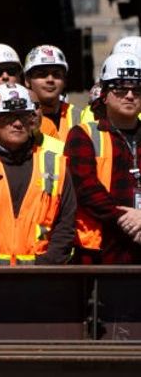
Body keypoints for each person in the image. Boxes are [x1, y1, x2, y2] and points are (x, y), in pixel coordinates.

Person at [0, 83, 75, 265]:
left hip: (42, 273)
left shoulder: (55, 165)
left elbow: (66, 224)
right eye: (9, 116)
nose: (17, 123)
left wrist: (47, 265)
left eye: (23, 116)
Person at [64, 53, 141, 264]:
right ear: (104, 95)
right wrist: (126, 219)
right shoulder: (83, 135)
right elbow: (86, 189)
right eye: (120, 89)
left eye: (137, 89)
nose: (130, 95)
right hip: (101, 253)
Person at [23, 45, 92, 140]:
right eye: (42, 74)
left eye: (56, 74)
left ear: (65, 81)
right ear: (27, 80)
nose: (50, 80)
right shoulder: (19, 120)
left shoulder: (80, 118)